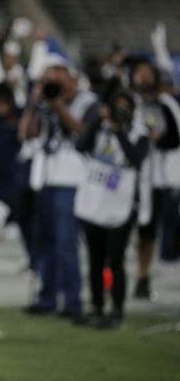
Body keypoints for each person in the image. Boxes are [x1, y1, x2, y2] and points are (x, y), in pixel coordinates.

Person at [19, 54, 97, 319]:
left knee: (66, 244)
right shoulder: (42, 104)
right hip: (44, 178)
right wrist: (34, 103)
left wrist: (58, 104)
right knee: (45, 243)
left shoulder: (87, 102)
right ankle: (47, 297)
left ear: (71, 80)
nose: (54, 87)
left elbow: (82, 132)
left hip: (72, 179)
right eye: (49, 82)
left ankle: (72, 301)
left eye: (59, 81)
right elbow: (26, 133)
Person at [74, 86, 149, 329]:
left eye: (125, 108)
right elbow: (80, 145)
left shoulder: (139, 133)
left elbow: (135, 158)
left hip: (121, 203)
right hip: (95, 199)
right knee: (95, 258)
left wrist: (119, 131)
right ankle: (97, 306)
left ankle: (117, 310)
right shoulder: (100, 128)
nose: (120, 112)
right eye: (117, 107)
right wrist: (98, 120)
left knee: (115, 260)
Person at [130, 60, 180, 299]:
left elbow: (173, 140)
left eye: (148, 74)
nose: (143, 78)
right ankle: (129, 275)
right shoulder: (127, 101)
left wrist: (157, 134)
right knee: (126, 228)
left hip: (158, 179)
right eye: (140, 73)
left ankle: (145, 274)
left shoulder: (165, 104)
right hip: (128, 177)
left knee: (153, 231)